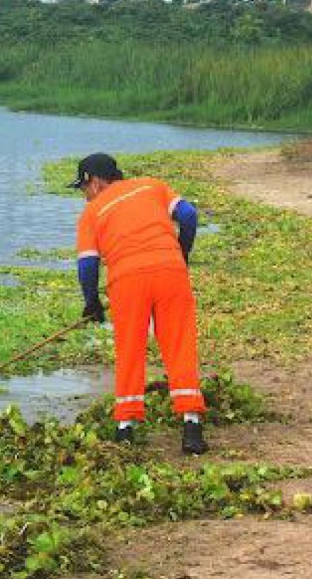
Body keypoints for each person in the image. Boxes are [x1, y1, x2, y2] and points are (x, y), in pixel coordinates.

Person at [71, 153, 207, 454]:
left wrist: (91, 302)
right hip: (171, 273)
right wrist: (180, 256)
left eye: (83, 189)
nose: (84, 197)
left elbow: (88, 266)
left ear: (94, 182)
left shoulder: (92, 212)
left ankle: (125, 429)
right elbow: (188, 216)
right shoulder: (152, 186)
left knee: (130, 349)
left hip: (127, 281)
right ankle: (192, 426)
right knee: (179, 345)